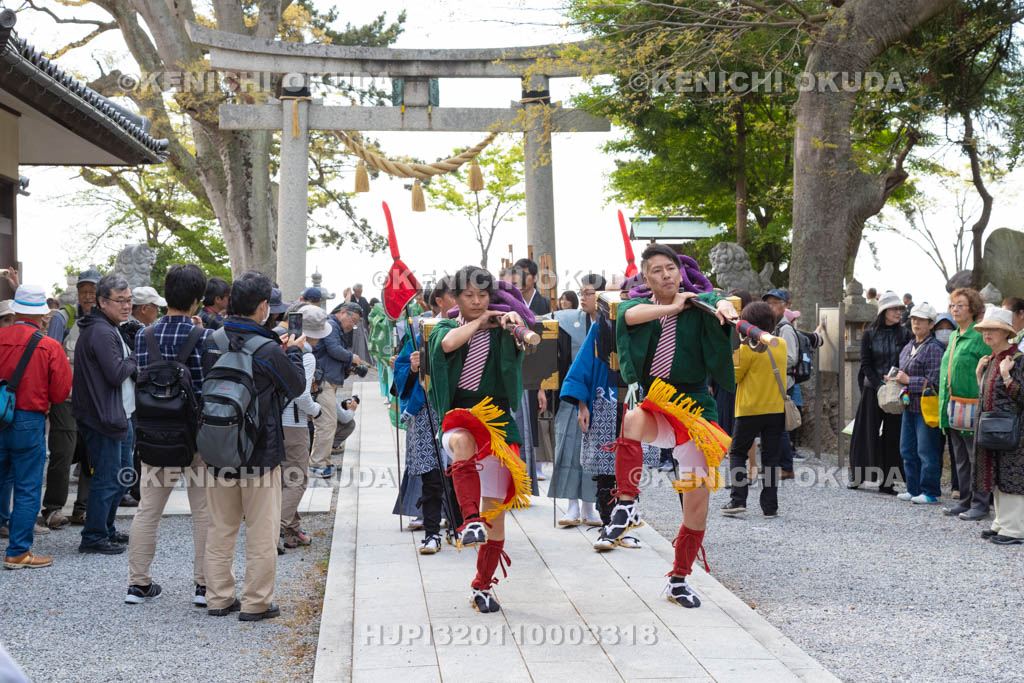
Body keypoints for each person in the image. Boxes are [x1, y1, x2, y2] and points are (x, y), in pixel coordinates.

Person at [604, 244, 737, 608]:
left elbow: (722, 302)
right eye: (657, 270)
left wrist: (723, 306)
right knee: (631, 419)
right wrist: (675, 305)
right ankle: (627, 502)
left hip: (695, 406)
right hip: (658, 402)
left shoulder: (701, 303)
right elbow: (627, 318)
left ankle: (679, 579)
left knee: (697, 502)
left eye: (671, 268)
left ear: (681, 272)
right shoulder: (637, 306)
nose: (666, 275)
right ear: (645, 278)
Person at [426, 266, 533, 613]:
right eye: (469, 295)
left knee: (497, 515)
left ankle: (483, 585)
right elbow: (447, 345)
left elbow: (529, 341)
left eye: (483, 295)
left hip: (499, 420)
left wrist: (515, 324)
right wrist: (481, 320)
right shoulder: (445, 326)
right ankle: (468, 519)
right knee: (461, 443)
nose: (476, 301)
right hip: (460, 415)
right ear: (455, 300)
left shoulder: (503, 327)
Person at [200, 271, 305, 621]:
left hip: (217, 448)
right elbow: (296, 386)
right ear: (262, 307)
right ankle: (256, 602)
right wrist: (294, 353)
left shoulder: (210, 340)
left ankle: (218, 598)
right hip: (260, 452)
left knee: (221, 527)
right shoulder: (268, 349)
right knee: (261, 531)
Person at [122, 265, 212, 604]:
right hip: (197, 436)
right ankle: (204, 586)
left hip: (153, 435)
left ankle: (138, 583)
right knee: (203, 511)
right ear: (196, 300)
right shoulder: (203, 338)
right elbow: (208, 386)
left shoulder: (143, 336)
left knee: (148, 510)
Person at [0, 285, 72, 569]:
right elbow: (60, 393)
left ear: (15, 311)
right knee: (27, 486)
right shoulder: (49, 346)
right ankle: (18, 551)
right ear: (42, 315)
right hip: (29, 420)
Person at [72, 274, 137, 555]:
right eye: (120, 300)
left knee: (121, 476)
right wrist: (135, 357)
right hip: (104, 416)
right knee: (108, 477)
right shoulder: (101, 331)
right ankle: (94, 536)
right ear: (102, 301)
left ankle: (106, 529)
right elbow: (115, 374)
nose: (126, 306)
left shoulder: (109, 327)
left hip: (117, 413)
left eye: (129, 300)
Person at [392, 280, 455, 553]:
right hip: (427, 405)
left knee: (459, 470)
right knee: (432, 473)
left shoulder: (469, 326)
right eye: (458, 295)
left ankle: (459, 525)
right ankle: (432, 531)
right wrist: (413, 366)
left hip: (457, 404)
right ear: (439, 300)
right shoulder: (420, 329)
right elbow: (402, 365)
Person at [41, 267, 101, 530]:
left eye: (93, 291)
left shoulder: (105, 319)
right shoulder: (63, 319)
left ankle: (83, 508)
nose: (88, 296)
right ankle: (53, 509)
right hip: (65, 399)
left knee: (91, 455)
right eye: (83, 291)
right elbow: (48, 359)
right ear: (77, 292)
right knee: (62, 453)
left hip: (96, 400)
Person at [720, 302, 788, 518]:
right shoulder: (782, 344)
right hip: (775, 408)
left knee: (738, 452)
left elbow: (734, 377)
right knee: (770, 457)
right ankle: (770, 506)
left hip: (749, 409)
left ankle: (738, 499)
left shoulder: (746, 348)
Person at [548, 274, 604, 527]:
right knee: (568, 448)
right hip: (571, 396)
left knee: (595, 452)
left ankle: (590, 508)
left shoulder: (610, 323)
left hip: (602, 397)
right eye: (581, 292)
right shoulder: (568, 322)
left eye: (589, 293)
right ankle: (571, 506)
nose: (583, 297)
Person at [848, 291, 913, 494]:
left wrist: (895, 379)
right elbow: (865, 364)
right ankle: (857, 477)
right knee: (865, 432)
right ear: (883, 311)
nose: (898, 312)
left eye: (900, 309)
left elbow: (907, 362)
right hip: (872, 389)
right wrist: (879, 385)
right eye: (894, 308)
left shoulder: (905, 335)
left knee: (893, 435)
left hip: (896, 390)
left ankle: (888, 481)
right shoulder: (869, 334)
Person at [280, 305, 330, 550]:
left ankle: (292, 530)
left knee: (283, 478)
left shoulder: (281, 347)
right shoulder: (306, 355)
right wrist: (316, 411)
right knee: (297, 479)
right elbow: (301, 395)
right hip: (294, 423)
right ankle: (277, 528)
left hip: (274, 421)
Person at [940, 287, 992, 521]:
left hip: (974, 405)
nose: (955, 309)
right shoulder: (953, 335)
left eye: (960, 305)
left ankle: (980, 504)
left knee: (976, 456)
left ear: (972, 309)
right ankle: (965, 499)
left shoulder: (980, 336)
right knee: (960, 457)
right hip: (953, 404)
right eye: (952, 305)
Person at [973, 307, 1024, 545]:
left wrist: (1007, 377)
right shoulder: (991, 360)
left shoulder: (1017, 360)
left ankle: (1014, 529)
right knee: (995, 473)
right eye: (984, 329)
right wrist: (978, 375)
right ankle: (1001, 523)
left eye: (993, 329)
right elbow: (987, 395)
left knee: (1011, 475)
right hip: (993, 427)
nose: (987, 333)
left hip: (1014, 430)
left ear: (1006, 333)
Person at [894, 302, 944, 504]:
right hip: (909, 406)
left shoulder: (933, 348)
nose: (916, 323)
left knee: (927, 450)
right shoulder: (908, 346)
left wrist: (908, 381)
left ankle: (930, 491)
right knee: (907, 449)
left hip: (927, 408)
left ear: (931, 323)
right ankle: (913, 489)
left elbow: (935, 381)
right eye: (914, 318)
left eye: (921, 320)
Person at [310, 302, 362, 478]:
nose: (351, 325)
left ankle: (323, 461)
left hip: (328, 381)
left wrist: (348, 367)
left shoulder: (334, 328)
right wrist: (351, 357)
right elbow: (333, 350)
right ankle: (317, 464)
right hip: (323, 381)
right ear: (343, 312)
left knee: (330, 422)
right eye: (352, 320)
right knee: (326, 423)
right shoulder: (331, 325)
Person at [762, 289, 799, 478]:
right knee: (774, 425)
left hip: (784, 382)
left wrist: (770, 361)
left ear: (785, 305)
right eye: (768, 303)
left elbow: (791, 358)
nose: (771, 306)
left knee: (780, 425)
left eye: (775, 302)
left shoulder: (785, 329)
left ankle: (786, 466)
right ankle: (778, 464)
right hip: (774, 381)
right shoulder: (773, 327)